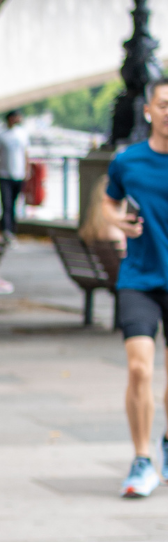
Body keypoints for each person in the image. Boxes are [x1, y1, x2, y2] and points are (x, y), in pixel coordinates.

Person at [103, 77, 168, 498]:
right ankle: (142, 460)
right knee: (140, 367)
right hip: (139, 279)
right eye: (163, 105)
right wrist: (115, 222)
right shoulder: (127, 161)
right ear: (149, 110)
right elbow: (108, 202)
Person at [0, 110, 27, 243]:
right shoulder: (1, 136)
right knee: (6, 203)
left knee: (15, 204)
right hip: (5, 175)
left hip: (19, 175)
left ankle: (12, 229)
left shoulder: (22, 134)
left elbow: (25, 153)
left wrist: (27, 172)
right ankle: (6, 231)